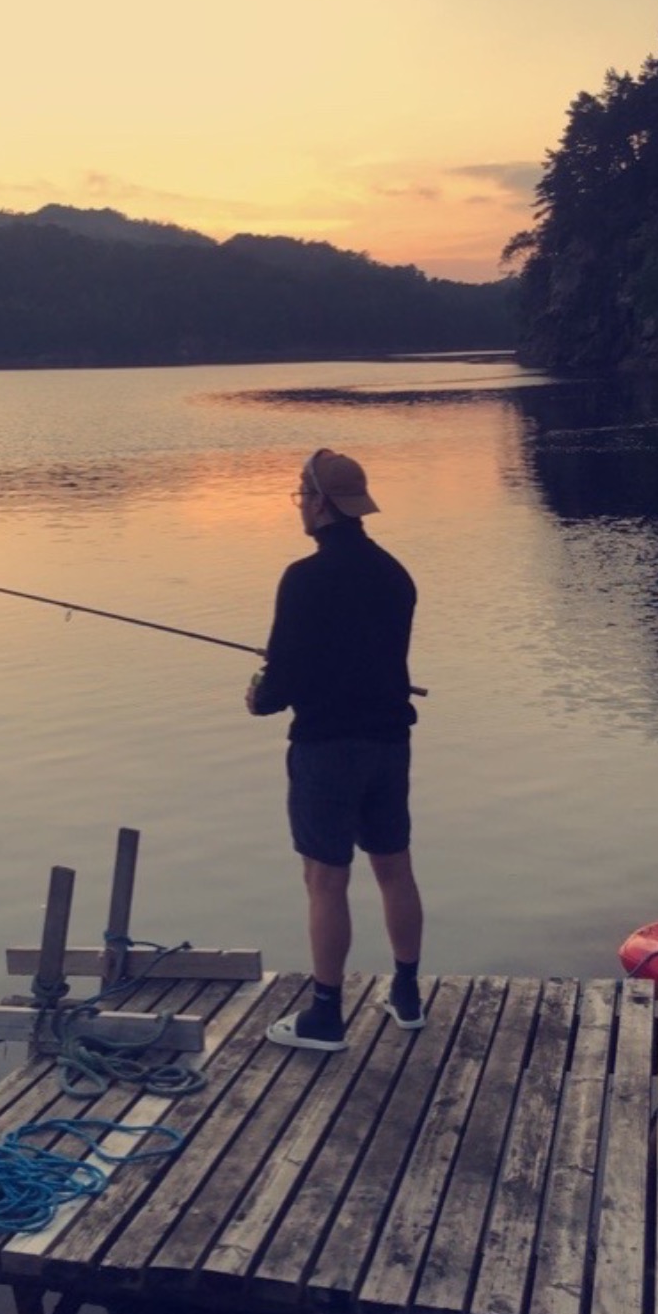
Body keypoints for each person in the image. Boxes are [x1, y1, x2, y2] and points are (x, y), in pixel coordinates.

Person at [246, 448, 425, 1050]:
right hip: (389, 744)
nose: (299, 505)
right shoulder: (396, 574)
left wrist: (258, 693)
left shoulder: (304, 578)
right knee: (394, 866)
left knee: (325, 879)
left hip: (326, 748)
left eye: (302, 495)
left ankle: (325, 1016)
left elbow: (280, 685)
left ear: (321, 503)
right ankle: (406, 995)